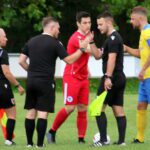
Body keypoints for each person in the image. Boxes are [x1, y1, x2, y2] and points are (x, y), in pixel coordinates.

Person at [19, 16, 89, 148]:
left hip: (32, 81)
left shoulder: (31, 41)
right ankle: (40, 144)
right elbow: (69, 60)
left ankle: (29, 143)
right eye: (58, 28)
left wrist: (32, 72)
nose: (59, 31)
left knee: (31, 112)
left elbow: (21, 61)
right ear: (52, 27)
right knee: (42, 113)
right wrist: (81, 49)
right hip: (46, 82)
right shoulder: (55, 43)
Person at [47, 11, 101, 144]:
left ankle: (81, 138)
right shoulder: (76, 38)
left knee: (83, 108)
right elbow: (93, 52)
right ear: (78, 24)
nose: (87, 25)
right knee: (70, 107)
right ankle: (52, 131)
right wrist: (105, 48)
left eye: (89, 22)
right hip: (71, 77)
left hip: (83, 78)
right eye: (84, 23)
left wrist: (87, 68)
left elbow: (92, 55)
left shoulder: (88, 37)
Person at [93, 11, 127, 147]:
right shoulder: (111, 38)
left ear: (108, 22)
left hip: (111, 78)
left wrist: (108, 77)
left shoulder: (113, 39)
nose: (99, 27)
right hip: (119, 78)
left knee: (97, 108)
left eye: (100, 24)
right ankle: (121, 141)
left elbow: (112, 59)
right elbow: (97, 55)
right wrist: (90, 41)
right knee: (118, 109)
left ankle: (102, 140)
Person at [124, 6, 150, 143]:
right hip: (145, 78)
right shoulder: (143, 33)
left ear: (140, 18)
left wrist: (143, 69)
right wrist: (126, 48)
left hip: (149, 76)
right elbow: (141, 54)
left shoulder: (149, 32)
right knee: (141, 106)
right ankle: (140, 138)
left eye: (133, 19)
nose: (131, 21)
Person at [0, 28, 24, 145]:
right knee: (11, 115)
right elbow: (6, 73)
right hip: (2, 88)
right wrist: (18, 85)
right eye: (4, 36)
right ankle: (8, 140)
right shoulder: (2, 53)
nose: (6, 38)